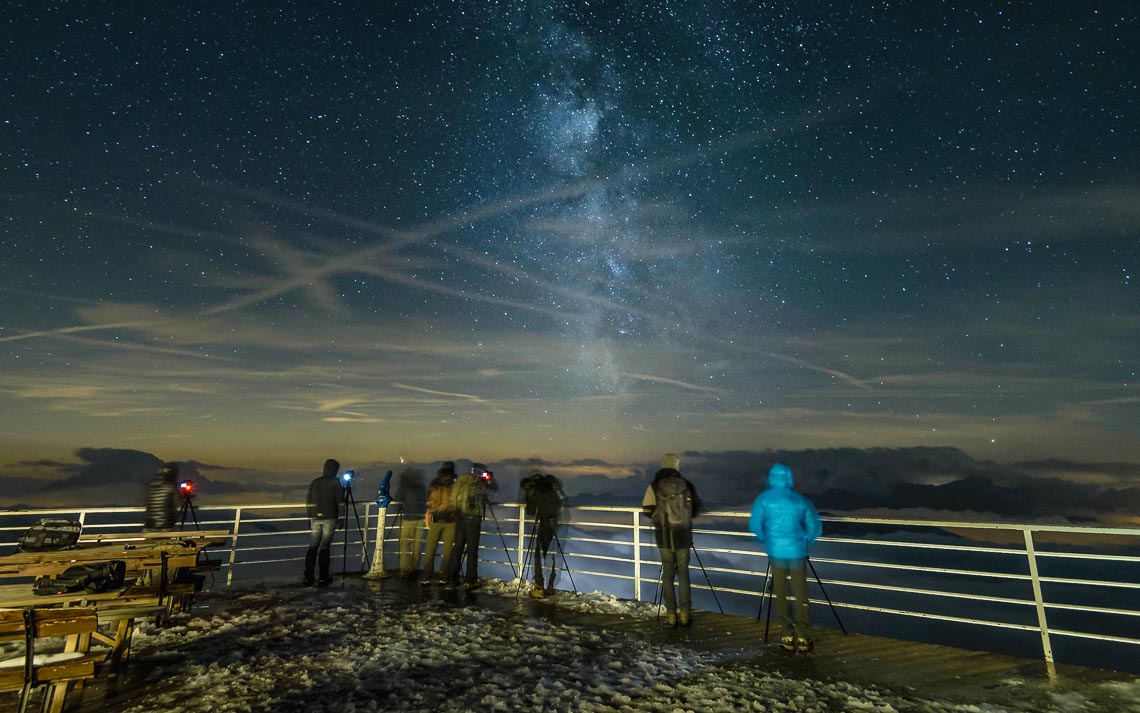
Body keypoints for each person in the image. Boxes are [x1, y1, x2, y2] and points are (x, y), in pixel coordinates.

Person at [748, 462, 823, 653]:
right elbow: (815, 526)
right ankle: (803, 637)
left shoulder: (763, 499)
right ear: (789, 478)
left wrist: (768, 540)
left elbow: (755, 524)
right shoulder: (800, 500)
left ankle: (786, 634)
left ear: (771, 478)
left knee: (780, 592)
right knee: (800, 594)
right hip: (797, 552)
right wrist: (805, 541)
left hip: (776, 553)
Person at [642, 453, 701, 627]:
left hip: (664, 537)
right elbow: (696, 508)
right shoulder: (686, 484)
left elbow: (646, 508)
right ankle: (685, 614)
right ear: (676, 466)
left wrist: (659, 518)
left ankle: (670, 615)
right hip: (683, 536)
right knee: (683, 573)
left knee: (668, 574)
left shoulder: (655, 485)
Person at [519, 469, 567, 598]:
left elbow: (530, 510)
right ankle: (550, 586)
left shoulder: (537, 490)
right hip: (555, 524)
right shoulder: (551, 488)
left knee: (538, 555)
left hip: (543, 524)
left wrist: (529, 498)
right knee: (552, 556)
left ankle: (539, 587)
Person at [448, 462, 489, 590]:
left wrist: (454, 512)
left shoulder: (460, 481)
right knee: (472, 551)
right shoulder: (477, 484)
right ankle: (470, 580)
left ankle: (452, 579)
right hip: (473, 520)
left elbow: (453, 498)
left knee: (457, 550)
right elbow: (482, 499)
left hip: (460, 518)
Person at [303, 458, 343, 587]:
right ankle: (323, 577)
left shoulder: (315, 482)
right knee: (325, 547)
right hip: (330, 518)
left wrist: (310, 517)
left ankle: (308, 577)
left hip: (315, 518)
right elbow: (340, 502)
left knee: (313, 546)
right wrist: (341, 518)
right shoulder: (336, 483)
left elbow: (308, 501)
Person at [421, 461, 457, 584]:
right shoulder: (454, 484)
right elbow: (457, 501)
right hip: (451, 521)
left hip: (435, 519)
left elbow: (428, 497)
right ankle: (444, 576)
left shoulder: (434, 482)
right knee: (447, 550)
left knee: (430, 548)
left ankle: (426, 576)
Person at [393, 468, 427, 576]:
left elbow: (398, 500)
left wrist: (398, 509)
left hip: (408, 519)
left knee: (405, 543)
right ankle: (415, 567)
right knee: (417, 544)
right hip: (420, 519)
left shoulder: (404, 487)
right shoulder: (420, 487)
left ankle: (405, 568)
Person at [143, 461, 182, 531]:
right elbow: (178, 502)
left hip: (149, 525)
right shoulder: (171, 486)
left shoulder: (151, 484)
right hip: (165, 526)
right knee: (166, 542)